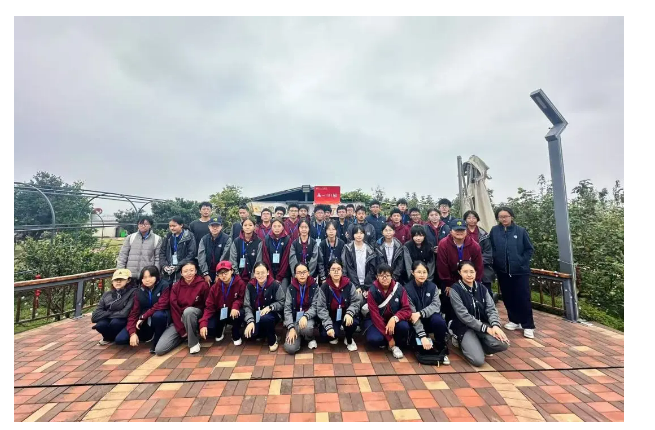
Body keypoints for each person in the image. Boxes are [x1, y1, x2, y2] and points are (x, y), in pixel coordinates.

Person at [141, 261, 209, 355]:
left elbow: (208, 305)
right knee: (160, 350)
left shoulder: (203, 284)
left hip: (195, 316)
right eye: (185, 271)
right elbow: (174, 308)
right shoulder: (176, 286)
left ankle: (193, 343)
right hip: (179, 320)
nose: (189, 273)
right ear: (181, 273)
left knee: (188, 311)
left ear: (196, 271)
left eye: (191, 270)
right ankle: (185, 336)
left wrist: (203, 323)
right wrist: (181, 329)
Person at [449, 260, 509, 366]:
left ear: (476, 272)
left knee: (503, 344)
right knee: (478, 361)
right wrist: (486, 329)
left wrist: (495, 326)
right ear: (459, 272)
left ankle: (477, 345)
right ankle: (459, 340)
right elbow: (463, 316)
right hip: (463, 327)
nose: (469, 275)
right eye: (465, 271)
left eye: (472, 271)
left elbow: (491, 309)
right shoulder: (455, 290)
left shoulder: (482, 288)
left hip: (482, 324)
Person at [489, 207, 536, 339]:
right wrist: (496, 262)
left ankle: (528, 325)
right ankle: (514, 320)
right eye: (501, 217)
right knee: (508, 297)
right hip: (502, 271)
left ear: (511, 217)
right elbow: (491, 247)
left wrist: (520, 261)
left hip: (519, 271)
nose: (503, 219)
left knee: (523, 298)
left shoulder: (520, 231)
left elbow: (529, 249)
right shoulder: (495, 231)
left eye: (506, 216)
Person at [436, 219, 484, 323]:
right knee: (449, 302)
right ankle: (450, 323)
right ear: (450, 231)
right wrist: (448, 284)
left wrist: (475, 282)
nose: (459, 232)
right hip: (450, 279)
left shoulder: (474, 245)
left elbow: (479, 266)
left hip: (469, 279)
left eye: (462, 230)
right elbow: (442, 265)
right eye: (456, 230)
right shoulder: (443, 244)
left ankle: (471, 323)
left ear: (466, 231)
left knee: (468, 302)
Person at [363, 264, 412, 359]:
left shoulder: (399, 289)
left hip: (394, 320)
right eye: (381, 275)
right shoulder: (372, 291)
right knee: (374, 339)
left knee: (404, 327)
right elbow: (375, 316)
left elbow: (407, 309)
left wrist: (394, 318)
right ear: (377, 277)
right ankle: (388, 341)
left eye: (387, 275)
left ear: (392, 276)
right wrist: (389, 338)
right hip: (377, 320)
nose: (384, 278)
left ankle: (395, 344)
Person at [404, 261, 449, 365]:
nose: (422, 275)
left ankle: (441, 346)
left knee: (439, 321)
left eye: (424, 272)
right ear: (412, 272)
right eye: (419, 272)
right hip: (415, 323)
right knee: (419, 346)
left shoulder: (433, 287)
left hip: (429, 319)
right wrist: (423, 336)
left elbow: (436, 306)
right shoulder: (407, 289)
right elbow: (413, 315)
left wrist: (421, 313)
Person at [123, 266, 170, 353]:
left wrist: (144, 316)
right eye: (144, 277)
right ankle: (148, 335)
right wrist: (132, 333)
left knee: (158, 315)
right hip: (145, 320)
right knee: (122, 339)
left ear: (157, 276)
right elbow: (134, 312)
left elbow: (161, 304)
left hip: (162, 316)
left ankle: (156, 341)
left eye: (151, 276)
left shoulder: (164, 285)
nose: (147, 280)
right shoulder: (139, 291)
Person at [316, 258, 360, 351]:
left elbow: (355, 301)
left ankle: (348, 337)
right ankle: (335, 332)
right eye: (333, 269)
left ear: (342, 270)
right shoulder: (324, 287)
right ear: (329, 271)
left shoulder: (349, 284)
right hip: (331, 315)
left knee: (353, 322)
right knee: (326, 334)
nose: (336, 272)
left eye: (338, 269)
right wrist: (328, 325)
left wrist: (350, 313)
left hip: (346, 314)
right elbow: (321, 308)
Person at [199, 261, 247, 346]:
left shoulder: (240, 283)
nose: (223, 275)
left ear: (232, 271)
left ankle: (235, 334)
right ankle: (221, 328)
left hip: (234, 311)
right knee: (210, 329)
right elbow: (209, 306)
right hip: (221, 312)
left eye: (226, 272)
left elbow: (241, 298)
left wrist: (235, 306)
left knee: (240, 313)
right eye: (220, 273)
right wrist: (203, 323)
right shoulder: (215, 287)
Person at [243, 262, 285, 351]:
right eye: (257, 273)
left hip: (272, 314)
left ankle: (272, 339)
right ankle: (263, 332)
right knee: (252, 334)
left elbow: (282, 302)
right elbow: (247, 305)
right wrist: (250, 321)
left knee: (265, 318)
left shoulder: (275, 284)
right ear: (254, 274)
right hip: (256, 314)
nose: (260, 275)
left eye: (263, 272)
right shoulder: (250, 286)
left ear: (268, 272)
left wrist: (270, 307)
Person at [92, 269, 137, 345]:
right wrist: (110, 313)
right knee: (100, 325)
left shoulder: (133, 292)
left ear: (128, 280)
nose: (118, 281)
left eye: (121, 279)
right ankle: (109, 338)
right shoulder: (107, 294)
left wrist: (106, 313)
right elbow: (95, 316)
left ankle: (118, 337)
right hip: (111, 318)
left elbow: (124, 313)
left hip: (125, 321)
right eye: (116, 279)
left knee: (115, 323)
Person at [283, 263, 320, 354]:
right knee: (290, 349)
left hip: (308, 319)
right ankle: (298, 334)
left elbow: (315, 306)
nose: (302, 275)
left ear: (308, 273)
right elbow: (287, 309)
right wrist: (291, 328)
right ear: (295, 275)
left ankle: (309, 338)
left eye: (304, 272)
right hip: (294, 320)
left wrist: (305, 316)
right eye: (299, 272)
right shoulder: (291, 288)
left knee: (307, 328)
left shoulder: (315, 287)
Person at [463, 210, 498, 302]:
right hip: (464, 266)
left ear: (477, 219)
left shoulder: (484, 235)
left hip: (482, 267)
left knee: (486, 293)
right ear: (465, 220)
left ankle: (488, 309)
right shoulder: (461, 233)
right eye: (469, 218)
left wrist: (476, 263)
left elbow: (488, 253)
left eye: (474, 217)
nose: (471, 220)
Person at [160, 216, 196, 283]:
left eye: (174, 226)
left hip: (184, 268)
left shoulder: (189, 236)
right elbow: (162, 252)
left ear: (181, 225)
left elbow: (191, 254)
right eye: (170, 226)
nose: (172, 228)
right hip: (169, 269)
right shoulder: (168, 236)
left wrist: (178, 266)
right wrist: (164, 266)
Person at [342, 225, 378, 293]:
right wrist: (356, 286)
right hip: (353, 283)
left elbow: (372, 269)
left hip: (367, 283)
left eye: (361, 233)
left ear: (364, 234)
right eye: (356, 233)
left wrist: (367, 287)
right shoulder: (348, 249)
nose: (359, 235)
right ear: (353, 235)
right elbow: (350, 268)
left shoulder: (370, 249)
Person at [198, 216, 232, 285]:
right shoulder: (204, 239)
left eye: (217, 226)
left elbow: (225, 257)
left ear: (221, 226)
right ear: (209, 227)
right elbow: (201, 257)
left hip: (222, 271)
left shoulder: (227, 239)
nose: (215, 228)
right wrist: (205, 273)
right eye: (212, 226)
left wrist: (218, 273)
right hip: (207, 271)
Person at [261, 218, 292, 293]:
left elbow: (286, 260)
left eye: (279, 226)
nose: (277, 228)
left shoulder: (287, 239)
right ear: (271, 227)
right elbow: (266, 258)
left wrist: (279, 277)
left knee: (282, 292)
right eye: (274, 226)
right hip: (270, 273)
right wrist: (270, 276)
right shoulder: (267, 239)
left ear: (283, 227)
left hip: (283, 274)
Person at [228, 218, 263, 284]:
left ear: (254, 227)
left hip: (254, 277)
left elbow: (259, 260)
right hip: (238, 277)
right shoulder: (236, 241)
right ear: (242, 227)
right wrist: (237, 276)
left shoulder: (259, 242)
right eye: (245, 225)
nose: (247, 227)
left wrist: (254, 276)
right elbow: (232, 260)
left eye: (250, 225)